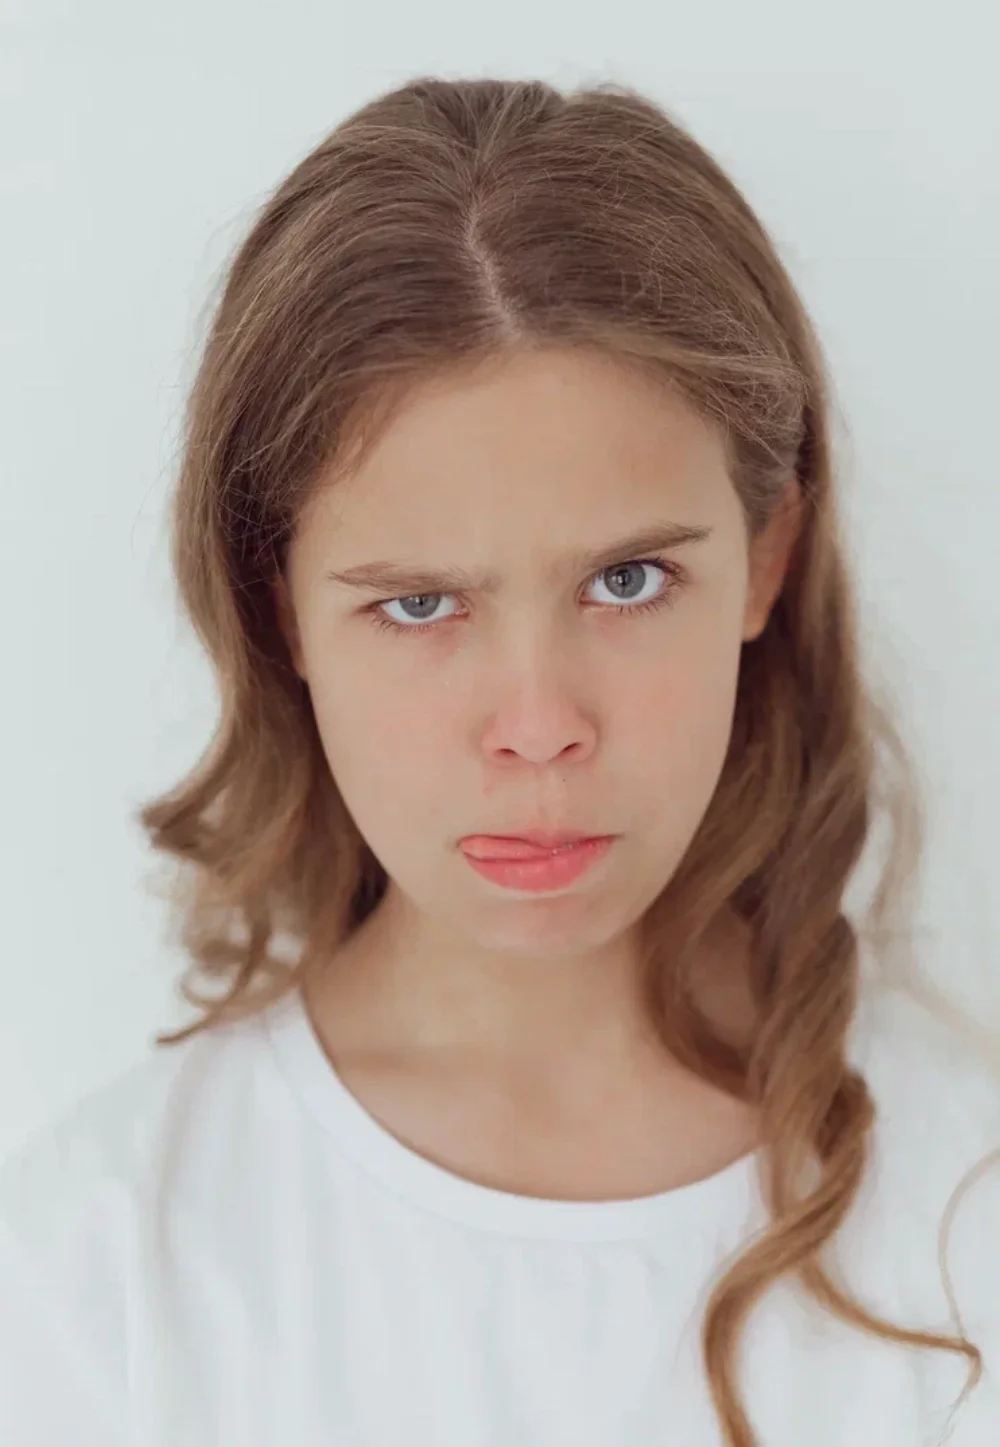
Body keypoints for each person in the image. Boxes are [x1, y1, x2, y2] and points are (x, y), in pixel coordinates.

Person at [1, 76, 998, 1447]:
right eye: (420, 604)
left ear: (767, 559)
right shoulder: (97, 1274)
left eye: (628, 580)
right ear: (279, 609)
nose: (537, 723)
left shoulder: (967, 1196)